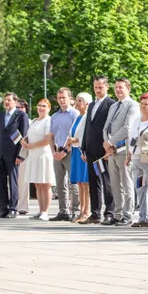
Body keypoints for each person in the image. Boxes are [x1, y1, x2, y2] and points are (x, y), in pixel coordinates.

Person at [102, 78, 140, 226]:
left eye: (121, 87)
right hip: (111, 151)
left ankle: (127, 214)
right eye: (116, 87)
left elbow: (127, 128)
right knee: (114, 184)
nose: (118, 90)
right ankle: (117, 214)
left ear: (128, 89)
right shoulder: (113, 106)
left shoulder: (132, 105)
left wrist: (110, 142)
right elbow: (105, 128)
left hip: (124, 150)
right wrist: (107, 144)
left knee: (127, 183)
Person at [80, 75, 116, 224]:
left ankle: (109, 212)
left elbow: (112, 127)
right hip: (90, 149)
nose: (98, 90)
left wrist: (110, 147)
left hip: (103, 149)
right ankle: (95, 213)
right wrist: (83, 147)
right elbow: (87, 127)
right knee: (93, 182)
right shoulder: (91, 105)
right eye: (95, 87)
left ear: (107, 87)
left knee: (106, 181)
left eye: (100, 87)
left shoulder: (111, 104)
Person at [0, 93, 29, 219]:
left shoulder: (21, 115)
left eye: (9, 100)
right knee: (1, 183)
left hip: (13, 154)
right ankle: (3, 209)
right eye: (5, 100)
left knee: (13, 182)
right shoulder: (0, 116)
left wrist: (20, 155)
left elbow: (24, 136)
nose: (7, 102)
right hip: (0, 153)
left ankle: (13, 208)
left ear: (15, 102)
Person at [127, 92, 148, 227]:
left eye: (146, 104)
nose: (143, 106)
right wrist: (129, 155)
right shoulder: (137, 120)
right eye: (141, 103)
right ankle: (143, 217)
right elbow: (131, 139)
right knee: (140, 187)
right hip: (137, 157)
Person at [21, 99, 56, 220]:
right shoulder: (35, 121)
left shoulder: (48, 120)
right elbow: (30, 135)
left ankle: (45, 211)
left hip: (43, 154)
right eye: (39, 105)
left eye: (44, 106)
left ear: (49, 108)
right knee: (37, 183)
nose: (41, 108)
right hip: (33, 155)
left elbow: (47, 139)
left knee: (45, 183)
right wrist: (25, 142)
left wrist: (32, 145)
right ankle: (40, 210)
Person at [49, 88, 80, 222]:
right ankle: (63, 211)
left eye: (64, 97)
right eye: (59, 98)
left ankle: (76, 210)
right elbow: (51, 136)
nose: (61, 100)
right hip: (57, 151)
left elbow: (75, 135)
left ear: (69, 98)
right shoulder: (55, 116)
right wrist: (54, 152)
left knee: (73, 182)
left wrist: (65, 151)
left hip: (70, 152)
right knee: (60, 184)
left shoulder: (75, 114)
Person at [68, 92, 92, 223]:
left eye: (80, 101)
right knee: (79, 182)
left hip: (82, 150)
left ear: (87, 104)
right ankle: (82, 210)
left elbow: (86, 135)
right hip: (75, 150)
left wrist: (75, 140)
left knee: (85, 182)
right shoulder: (78, 117)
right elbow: (73, 131)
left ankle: (86, 211)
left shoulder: (87, 117)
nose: (77, 103)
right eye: (76, 100)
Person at [16, 99, 31, 215]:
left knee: (23, 181)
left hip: (25, 154)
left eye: (22, 107)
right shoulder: (12, 122)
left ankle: (23, 206)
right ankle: (13, 204)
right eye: (18, 108)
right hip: (12, 154)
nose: (20, 109)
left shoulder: (30, 122)